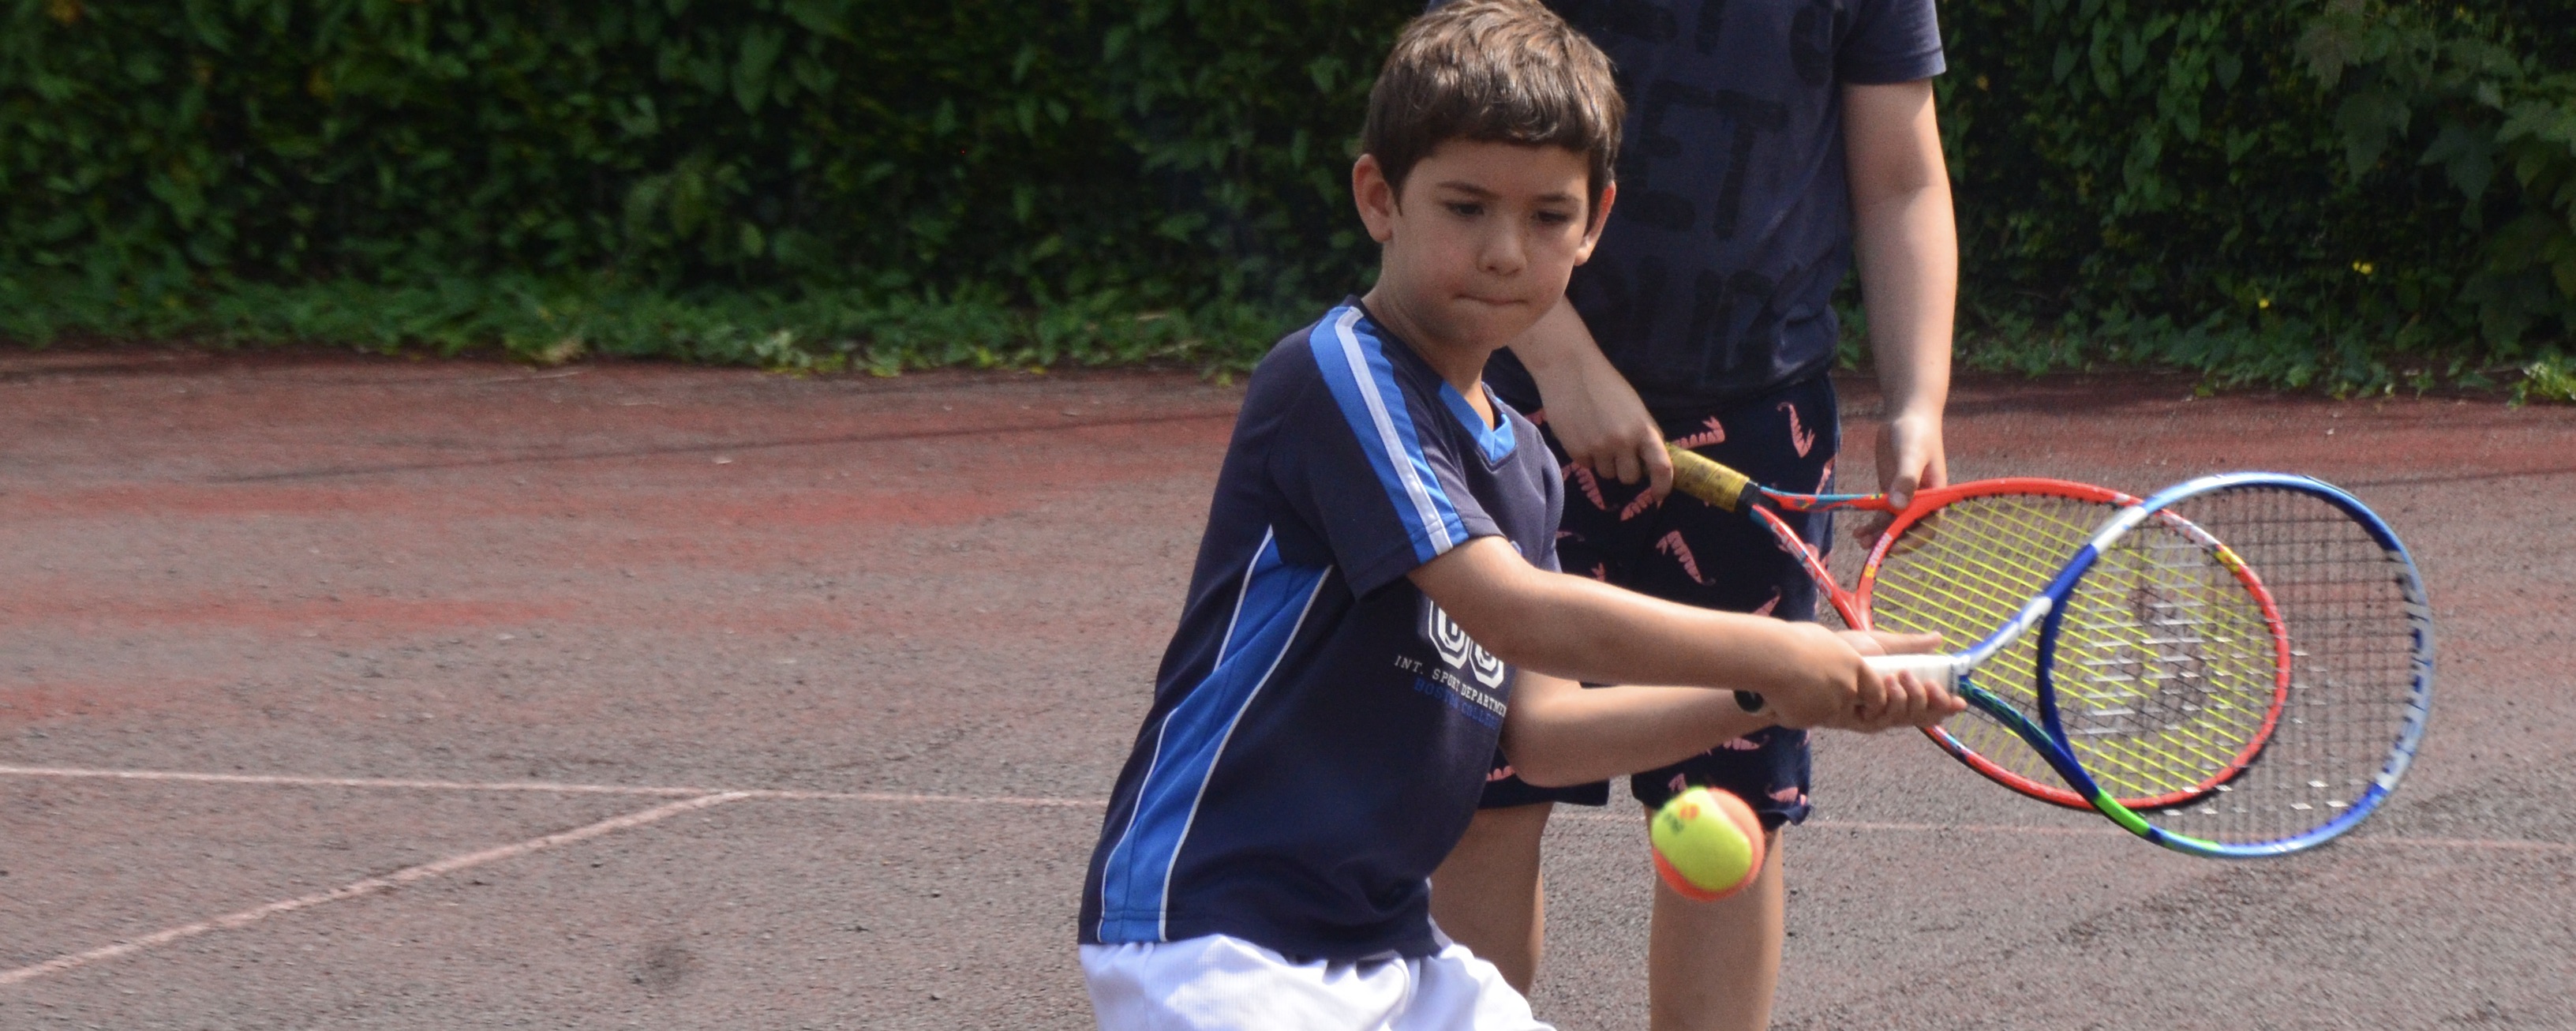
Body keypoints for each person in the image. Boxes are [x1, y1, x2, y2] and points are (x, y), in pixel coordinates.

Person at [1074, 2, 1962, 1027]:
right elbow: (1515, 611)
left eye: (1547, 217)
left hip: (1383, 947)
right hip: (1219, 932)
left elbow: (1544, 734)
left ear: (1594, 224)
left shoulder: (1526, 465)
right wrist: (1784, 655)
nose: (1505, 251)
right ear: (1379, 197)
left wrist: (1764, 698)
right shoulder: (1339, 378)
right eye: (1466, 207)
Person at [1426, 0, 1958, 1028]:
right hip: (1509, 397)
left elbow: (1902, 179)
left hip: (1762, 428)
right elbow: (1454, 145)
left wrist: (1917, 398)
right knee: (1484, 794)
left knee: (1726, 807)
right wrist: (1565, 366)